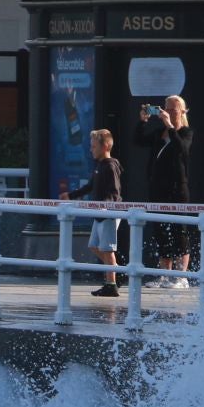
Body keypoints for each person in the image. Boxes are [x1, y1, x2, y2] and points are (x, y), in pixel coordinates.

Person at [138, 95, 193, 287]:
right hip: (158, 188)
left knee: (180, 231)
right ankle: (164, 274)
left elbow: (181, 149)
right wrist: (142, 120)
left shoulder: (185, 132)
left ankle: (181, 276)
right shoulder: (159, 133)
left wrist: (171, 126)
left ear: (182, 112)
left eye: (173, 109)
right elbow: (138, 140)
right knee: (161, 231)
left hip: (178, 189)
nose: (168, 112)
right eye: (166, 108)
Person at [84, 127, 122, 296]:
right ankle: (114, 271)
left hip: (108, 213)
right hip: (99, 213)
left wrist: (105, 206)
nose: (91, 149)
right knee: (94, 246)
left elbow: (115, 192)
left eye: (93, 146)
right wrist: (70, 195)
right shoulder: (99, 166)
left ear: (105, 146)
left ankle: (111, 284)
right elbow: (90, 186)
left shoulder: (111, 166)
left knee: (107, 249)